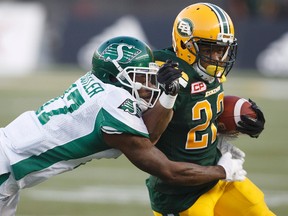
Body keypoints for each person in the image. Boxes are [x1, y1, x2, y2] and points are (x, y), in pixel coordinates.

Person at [0, 36, 245, 216]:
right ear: (116, 77)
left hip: (9, 168)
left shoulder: (96, 82)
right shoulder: (112, 108)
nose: (148, 83)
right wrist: (222, 171)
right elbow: (167, 169)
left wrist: (168, 99)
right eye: (139, 76)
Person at [145, 3, 275, 216]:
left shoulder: (208, 71)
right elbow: (148, 137)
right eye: (208, 49)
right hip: (181, 197)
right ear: (185, 44)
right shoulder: (166, 75)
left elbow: (198, 114)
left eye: (221, 49)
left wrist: (240, 122)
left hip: (219, 178)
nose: (216, 58)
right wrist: (166, 94)